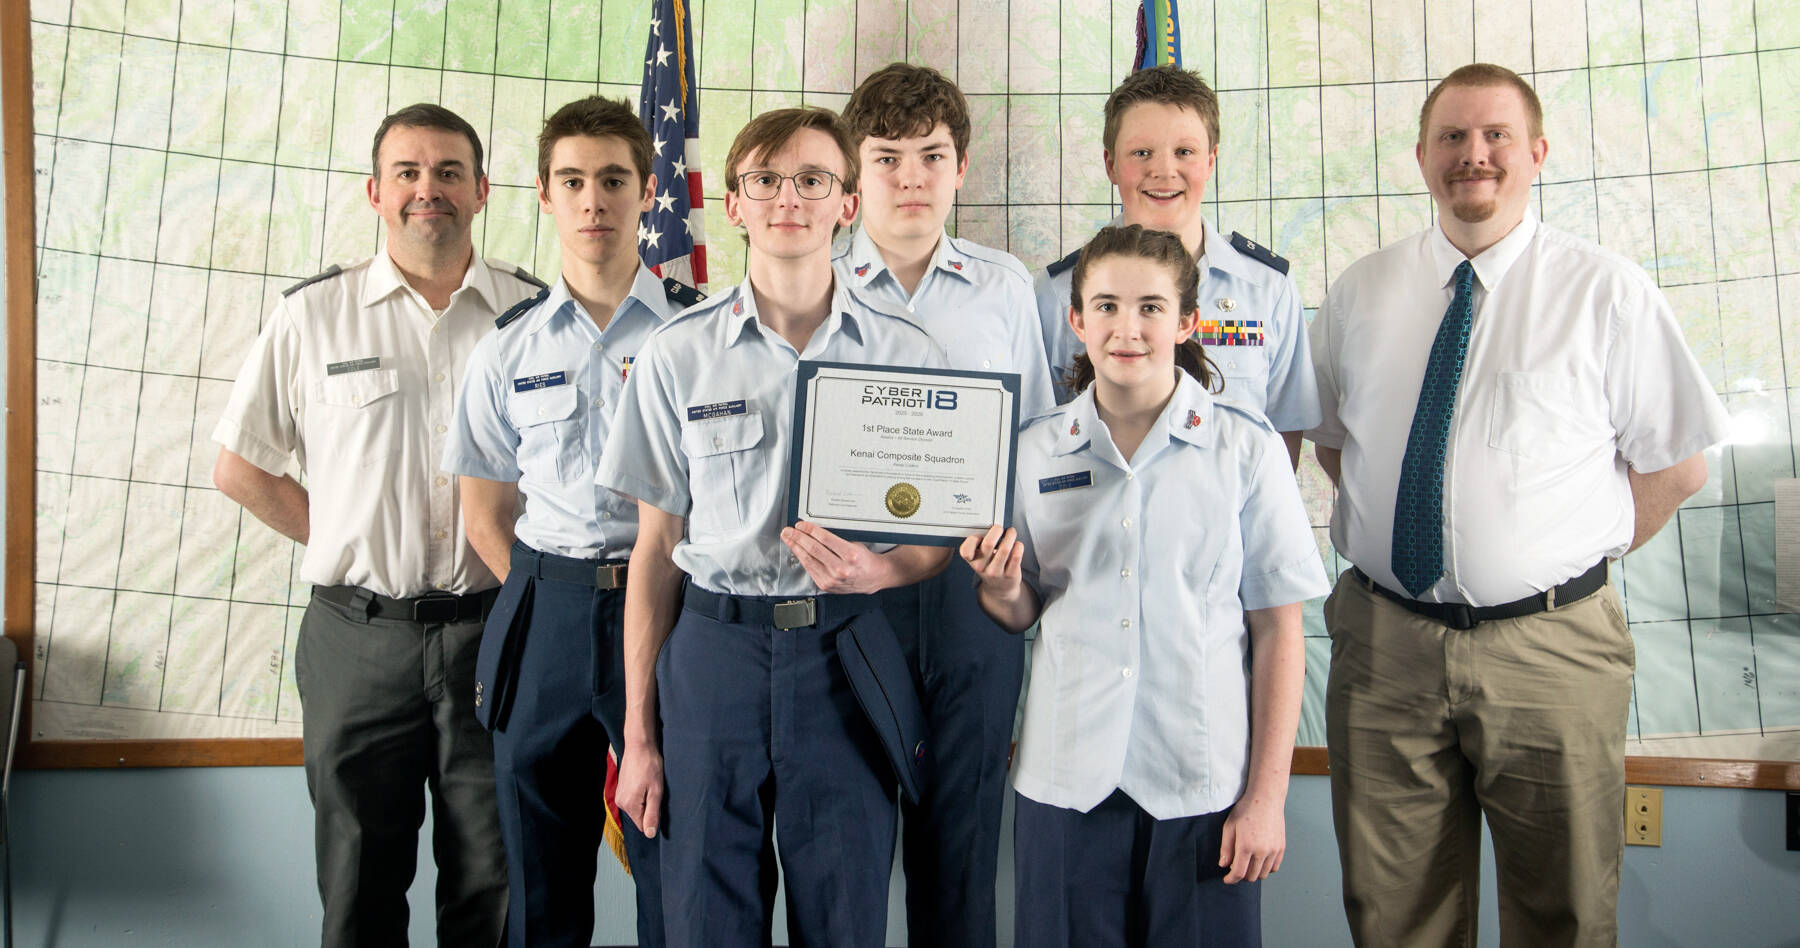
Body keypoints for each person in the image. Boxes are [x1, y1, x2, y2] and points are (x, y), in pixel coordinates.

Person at [1306, 63, 1730, 946]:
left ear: (1536, 153)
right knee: (1392, 919)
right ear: (1422, 157)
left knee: (1564, 915)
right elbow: (1339, 444)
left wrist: (1564, 561)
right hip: (1386, 651)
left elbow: (1678, 466)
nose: (1475, 155)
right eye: (1453, 137)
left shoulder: (1605, 292)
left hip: (1552, 654)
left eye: (1496, 135)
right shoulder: (1360, 292)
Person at [596, 107, 952, 947]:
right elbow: (655, 552)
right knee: (704, 916)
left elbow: (939, 542)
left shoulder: (909, 355)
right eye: (765, 180)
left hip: (845, 654)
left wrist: (884, 573)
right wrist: (639, 738)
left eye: (813, 180)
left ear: (847, 204)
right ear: (734, 204)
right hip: (712, 657)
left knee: (845, 911)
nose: (788, 198)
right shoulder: (676, 354)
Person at [212, 103, 544, 947]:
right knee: (359, 888)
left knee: (494, 882)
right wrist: (339, 534)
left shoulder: (535, 318)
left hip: (495, 633)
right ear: (375, 191)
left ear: (481, 192)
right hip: (356, 640)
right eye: (408, 172)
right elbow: (240, 466)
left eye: (447, 173)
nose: (426, 188)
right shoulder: (312, 317)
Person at [964, 224, 1327, 947]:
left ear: (1188, 321)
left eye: (1151, 308)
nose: (1127, 328)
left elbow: (1279, 629)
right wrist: (1000, 589)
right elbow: (1020, 608)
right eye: (1105, 306)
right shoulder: (1032, 449)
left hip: (1202, 785)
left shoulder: (1244, 447)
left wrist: (1266, 798)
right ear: (1076, 320)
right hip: (1066, 781)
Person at [441, 95, 702, 948]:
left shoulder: (702, 333)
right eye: (574, 181)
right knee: (542, 880)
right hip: (547, 611)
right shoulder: (506, 349)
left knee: (680, 866)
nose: (595, 200)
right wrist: (551, 590)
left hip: (673, 610)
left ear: (646, 190)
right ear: (545, 196)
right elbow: (485, 512)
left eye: (614, 180)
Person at [832, 61, 1054, 948]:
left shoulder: (1005, 287)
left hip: (972, 595)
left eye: (932, 156)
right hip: (851, 595)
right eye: (887, 158)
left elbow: (1038, 438)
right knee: (841, 847)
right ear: (855, 170)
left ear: (961, 166)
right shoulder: (813, 281)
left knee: (960, 849)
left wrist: (1019, 590)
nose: (912, 178)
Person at [1035, 65, 1316, 465]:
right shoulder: (1058, 292)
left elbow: (1285, 432)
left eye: (1184, 152)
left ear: (1210, 161)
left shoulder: (1267, 290)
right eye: (1141, 152)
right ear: (1111, 164)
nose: (1164, 171)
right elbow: (1043, 431)